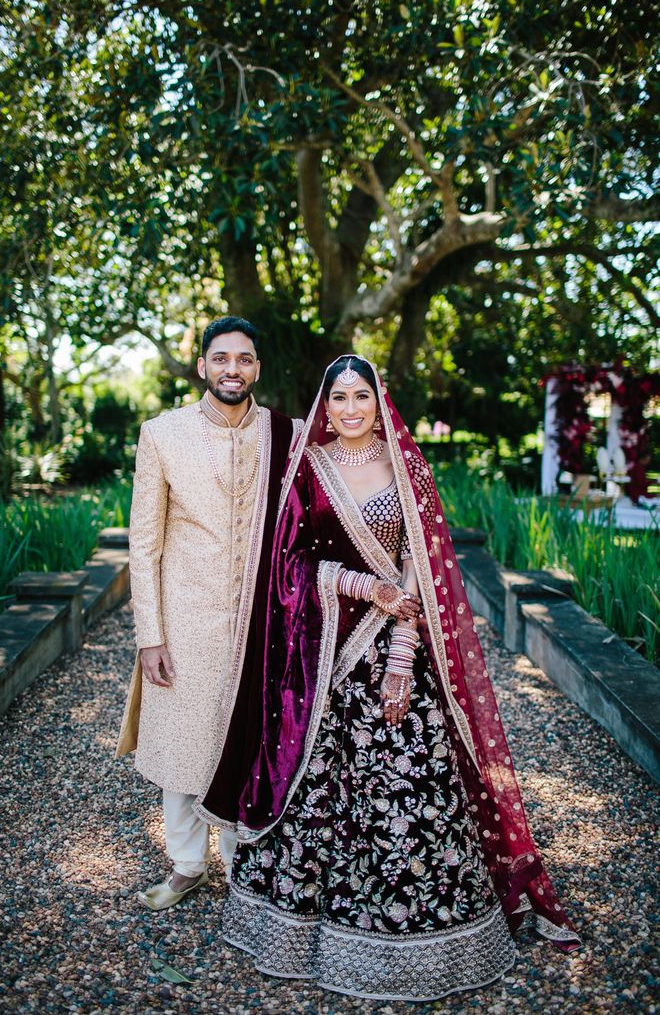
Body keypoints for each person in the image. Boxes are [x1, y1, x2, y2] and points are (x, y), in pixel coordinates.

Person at [198, 355, 580, 1003]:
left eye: (361, 398)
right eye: (340, 398)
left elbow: (420, 569)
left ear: (380, 403)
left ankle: (424, 942)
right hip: (322, 663)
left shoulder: (408, 469)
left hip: (392, 657)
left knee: (408, 792)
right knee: (315, 794)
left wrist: (402, 659)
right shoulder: (308, 470)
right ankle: (300, 935)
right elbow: (289, 567)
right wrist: (358, 585)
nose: (350, 409)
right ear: (327, 404)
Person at [116, 316, 301, 910]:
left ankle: (245, 864)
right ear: (202, 366)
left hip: (263, 619)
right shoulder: (162, 433)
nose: (232, 369)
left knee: (252, 738)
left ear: (257, 369)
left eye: (244, 359)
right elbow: (143, 545)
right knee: (182, 745)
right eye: (221, 358)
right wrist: (151, 636)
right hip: (185, 618)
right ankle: (187, 864)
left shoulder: (286, 435)